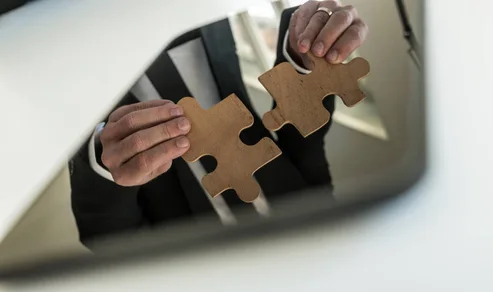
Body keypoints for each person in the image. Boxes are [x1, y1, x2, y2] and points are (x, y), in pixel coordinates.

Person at [69, 1, 369, 248]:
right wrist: (306, 55)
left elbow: (104, 237)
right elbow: (304, 139)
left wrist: (105, 164)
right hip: (195, 28)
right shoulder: (323, 223)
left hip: (89, 50)